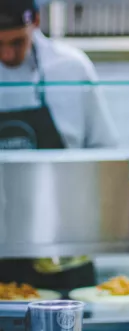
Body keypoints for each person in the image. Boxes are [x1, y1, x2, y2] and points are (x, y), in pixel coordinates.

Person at [0, 0, 118, 291]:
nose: (7, 53)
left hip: (64, 249)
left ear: (36, 21)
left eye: (17, 41)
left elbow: (105, 154)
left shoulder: (70, 68)